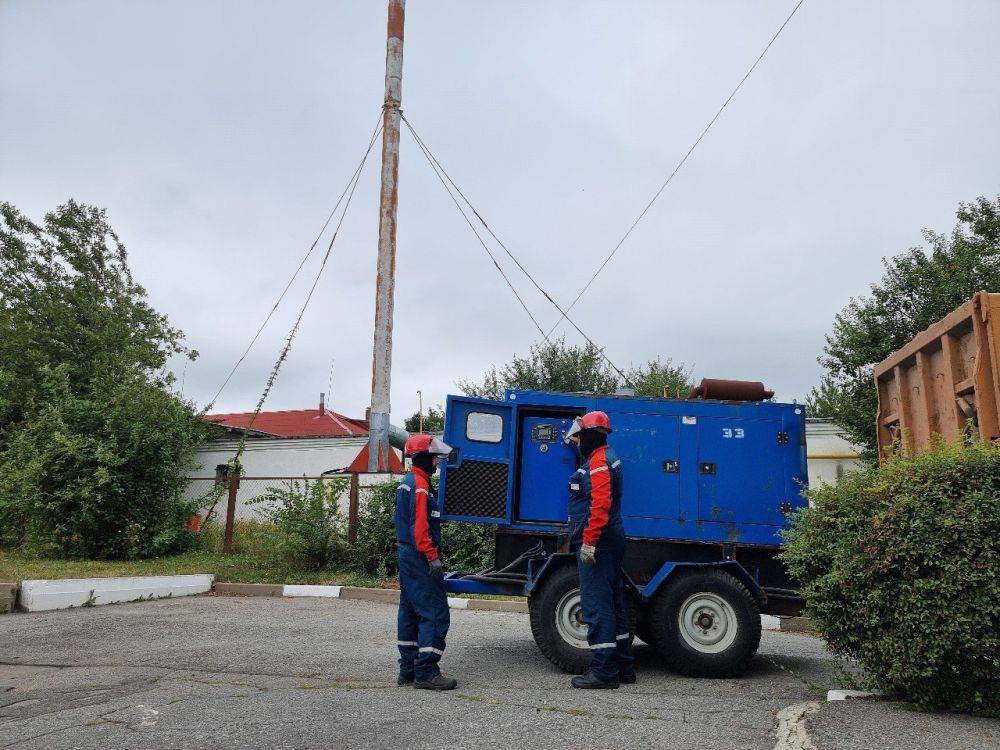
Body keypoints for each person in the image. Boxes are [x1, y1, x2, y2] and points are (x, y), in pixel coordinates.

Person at [564, 411, 635, 689]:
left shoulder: (598, 462)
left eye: (580, 435)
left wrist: (590, 542)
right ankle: (623, 666)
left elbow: (601, 504)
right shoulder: (607, 456)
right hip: (612, 537)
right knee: (614, 601)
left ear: (591, 435)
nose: (577, 440)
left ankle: (604, 672)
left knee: (596, 602)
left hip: (601, 540)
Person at [394, 433, 457, 691]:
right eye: (434, 458)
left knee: (409, 611)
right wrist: (432, 557)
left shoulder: (407, 483)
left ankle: (408, 669)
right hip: (420, 557)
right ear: (423, 458)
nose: (437, 463)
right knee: (434, 612)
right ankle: (427, 672)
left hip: (407, 555)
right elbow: (420, 528)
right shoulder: (420, 487)